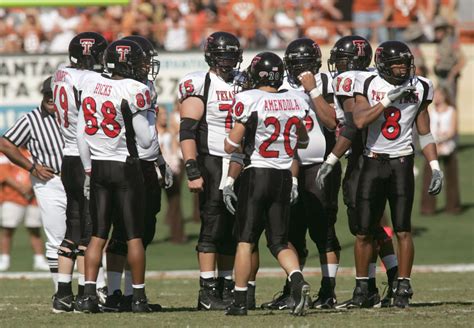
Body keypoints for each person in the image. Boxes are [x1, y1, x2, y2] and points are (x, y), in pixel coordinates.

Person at [351, 41, 443, 308]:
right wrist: (388, 99)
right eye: (397, 65)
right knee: (363, 231)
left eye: (406, 64)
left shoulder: (421, 86)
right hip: (373, 161)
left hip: (401, 162)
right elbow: (359, 120)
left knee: (402, 228)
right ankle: (362, 286)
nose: (403, 70)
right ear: (383, 65)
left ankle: (403, 284)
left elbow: (424, 131)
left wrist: (435, 166)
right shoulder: (368, 84)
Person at [224, 52, 311, 316]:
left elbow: (230, 145)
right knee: (279, 241)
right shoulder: (295, 100)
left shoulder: (248, 99)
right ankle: (297, 279)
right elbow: (304, 142)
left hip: (256, 174)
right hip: (283, 175)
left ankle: (239, 301)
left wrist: (240, 132)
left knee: (245, 240)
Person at [316, 35, 399, 308]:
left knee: (364, 227)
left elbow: (353, 125)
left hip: (362, 158)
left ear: (352, 61)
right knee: (376, 225)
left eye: (340, 60)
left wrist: (332, 158)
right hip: (385, 156)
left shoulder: (349, 79)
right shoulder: (376, 76)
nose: (337, 66)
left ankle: (368, 289)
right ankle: (393, 281)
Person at [260, 37, 342, 311]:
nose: (301, 69)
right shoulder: (278, 85)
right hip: (288, 166)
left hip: (321, 165)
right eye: (296, 64)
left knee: (324, 231)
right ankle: (293, 289)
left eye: (306, 64)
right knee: (291, 232)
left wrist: (313, 91)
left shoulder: (327, 82)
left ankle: (328, 291)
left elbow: (331, 122)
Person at [75, 39, 154, 313]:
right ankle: (139, 297)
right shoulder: (134, 89)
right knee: (134, 236)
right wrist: (150, 117)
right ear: (128, 64)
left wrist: (87, 168)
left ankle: (87, 295)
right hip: (125, 166)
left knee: (97, 235)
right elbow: (145, 140)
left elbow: (83, 133)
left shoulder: (90, 83)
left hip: (98, 167)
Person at [102, 35, 172, 313]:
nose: (147, 65)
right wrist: (158, 159)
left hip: (132, 162)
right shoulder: (133, 89)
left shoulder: (136, 85)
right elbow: (145, 138)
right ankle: (121, 293)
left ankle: (123, 292)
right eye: (143, 60)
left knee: (139, 232)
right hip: (134, 164)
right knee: (129, 233)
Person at [178, 31, 242, 310]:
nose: (227, 62)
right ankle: (207, 289)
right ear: (210, 57)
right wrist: (192, 168)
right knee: (212, 226)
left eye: (231, 56)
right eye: (222, 56)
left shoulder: (245, 81)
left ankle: (227, 286)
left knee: (233, 228)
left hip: (241, 162)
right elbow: (187, 130)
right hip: (212, 160)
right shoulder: (199, 82)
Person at [51, 31, 108, 313]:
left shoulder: (61, 74)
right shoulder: (90, 80)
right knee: (90, 230)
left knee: (72, 226)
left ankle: (62, 293)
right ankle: (88, 293)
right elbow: (88, 124)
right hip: (85, 156)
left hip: (66, 157)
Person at [0, 76, 65, 293]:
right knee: (56, 237)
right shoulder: (31, 119)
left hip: (79, 181)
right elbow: (6, 144)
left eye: (54, 94)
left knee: (89, 235)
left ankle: (94, 289)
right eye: (47, 93)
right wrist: (32, 167)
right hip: (51, 181)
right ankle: (61, 292)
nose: (50, 98)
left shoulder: (74, 116)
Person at [0, 148, 49, 272]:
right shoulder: (6, 151)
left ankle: (39, 259)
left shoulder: (36, 151)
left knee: (35, 229)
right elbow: (4, 174)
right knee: (7, 229)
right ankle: (4, 259)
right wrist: (21, 188)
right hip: (12, 197)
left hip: (33, 197)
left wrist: (30, 187)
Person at [421, 86, 460, 215]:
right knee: (429, 178)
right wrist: (434, 143)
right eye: (434, 95)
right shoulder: (431, 111)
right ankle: (427, 208)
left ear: (444, 96)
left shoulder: (451, 111)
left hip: (448, 147)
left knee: (451, 178)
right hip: (433, 148)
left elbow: (453, 130)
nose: (436, 98)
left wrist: (442, 140)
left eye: (438, 95)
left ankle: (453, 207)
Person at [433, 16, 466, 104]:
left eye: (439, 30)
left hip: (449, 77)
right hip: (440, 77)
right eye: (436, 30)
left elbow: (462, 60)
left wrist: (451, 75)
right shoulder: (439, 43)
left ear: (444, 30)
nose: (437, 33)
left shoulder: (451, 42)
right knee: (439, 102)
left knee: (451, 103)